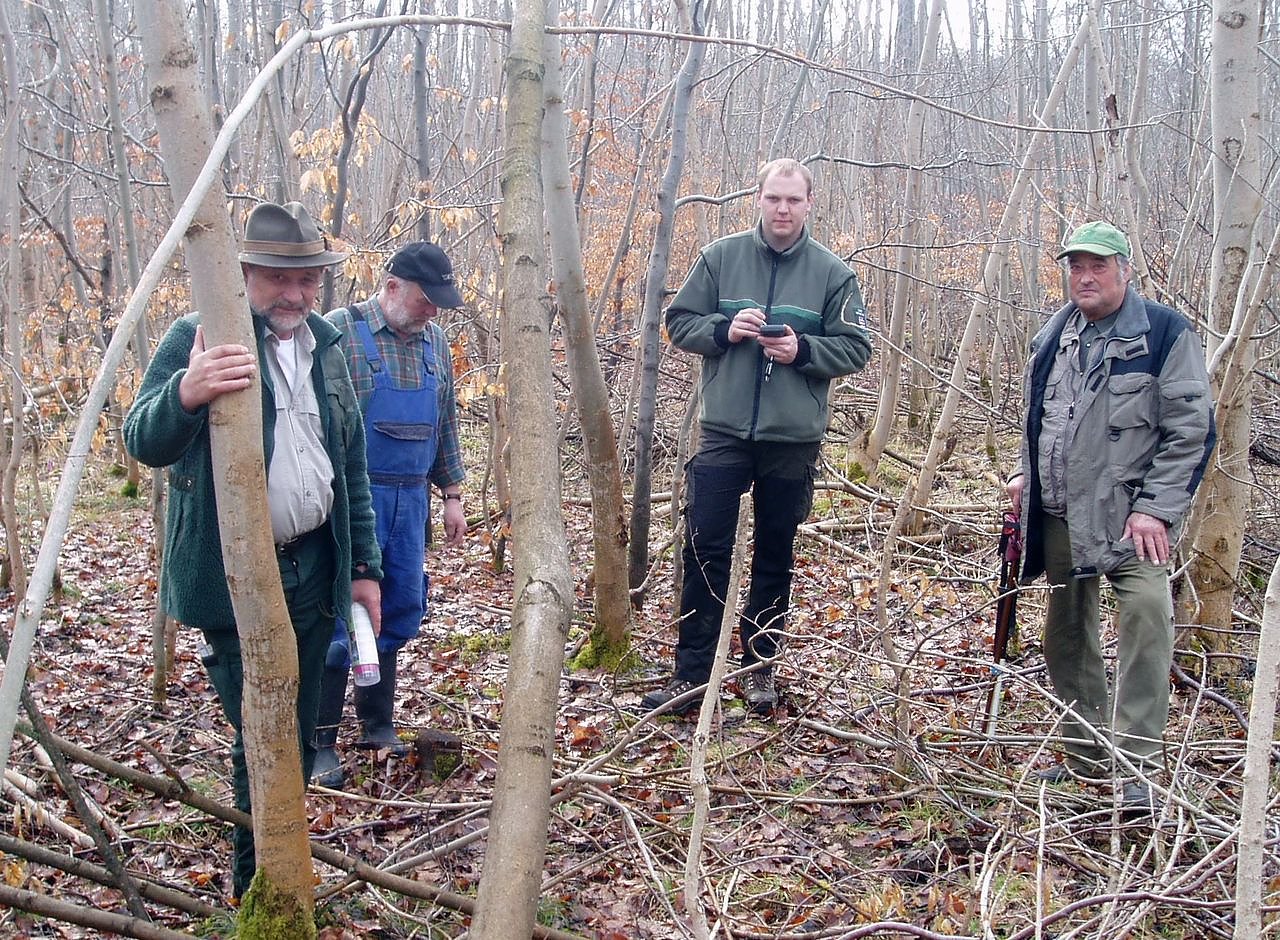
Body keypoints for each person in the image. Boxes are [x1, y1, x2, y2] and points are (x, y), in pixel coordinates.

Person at [123, 201, 383, 897]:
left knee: (296, 730)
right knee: (261, 734)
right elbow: (142, 438)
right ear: (242, 274)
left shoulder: (326, 344)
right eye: (277, 278)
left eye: (307, 279)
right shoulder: (199, 337)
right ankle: (259, 891)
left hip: (316, 564)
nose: (294, 294)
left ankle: (280, 877)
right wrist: (186, 393)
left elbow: (350, 464)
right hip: (237, 572)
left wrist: (363, 569)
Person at [643, 158, 874, 716]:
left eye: (793, 200)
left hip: (792, 438)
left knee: (775, 551)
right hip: (723, 430)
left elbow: (857, 348)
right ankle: (692, 675)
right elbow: (679, 322)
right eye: (774, 198)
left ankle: (758, 669)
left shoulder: (833, 274)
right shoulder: (720, 258)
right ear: (758, 198)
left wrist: (803, 350)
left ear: (809, 203)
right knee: (705, 548)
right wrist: (725, 330)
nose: (783, 209)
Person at [1006, 220, 1215, 809]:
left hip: (1131, 517)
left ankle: (1137, 767)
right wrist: (1024, 473)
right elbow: (1040, 417)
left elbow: (1192, 431)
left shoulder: (1164, 334)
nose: (1086, 277)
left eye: (1098, 266)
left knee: (1147, 619)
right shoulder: (1055, 334)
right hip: (1059, 510)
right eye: (1076, 266)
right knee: (1067, 634)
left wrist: (1155, 510)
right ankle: (1087, 757)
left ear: (1125, 270)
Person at [309, 242, 467, 787]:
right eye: (425, 299)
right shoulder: (338, 331)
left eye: (439, 302)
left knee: (396, 609)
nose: (432, 310)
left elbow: (445, 420)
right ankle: (319, 740)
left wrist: (451, 493)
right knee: (337, 615)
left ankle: (376, 724)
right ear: (393, 286)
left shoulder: (435, 342)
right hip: (349, 499)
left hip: (411, 502)